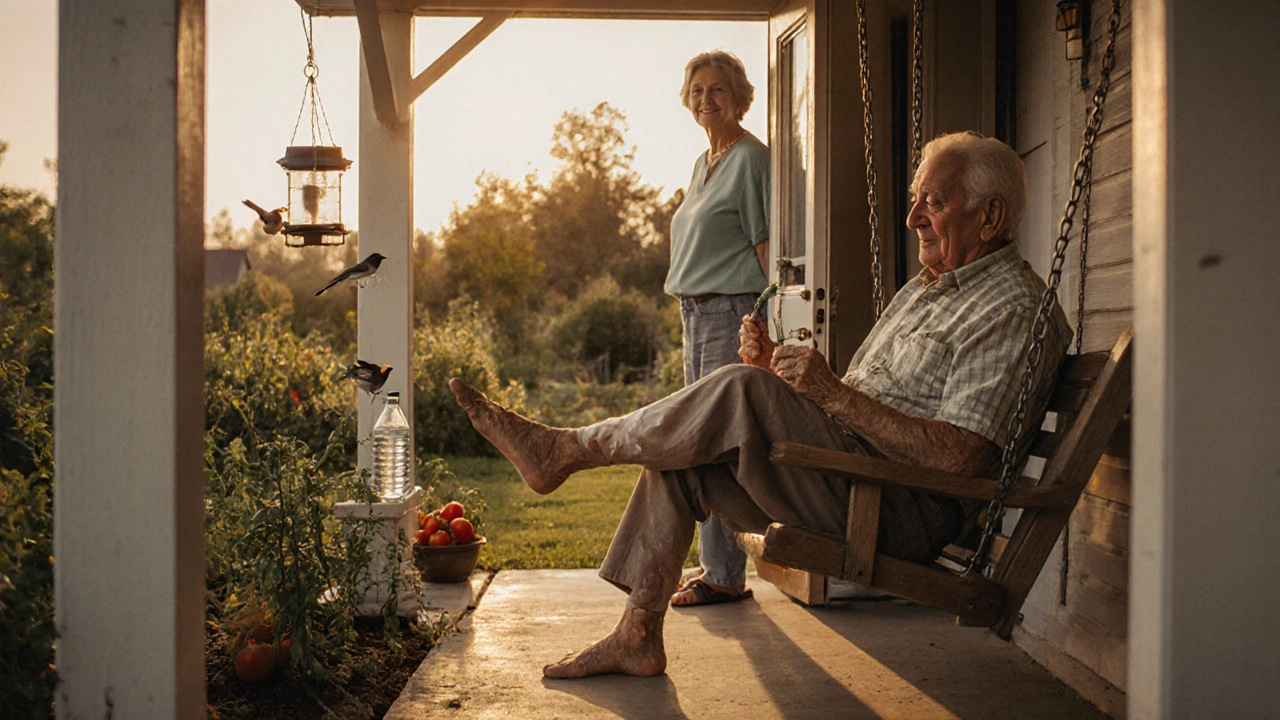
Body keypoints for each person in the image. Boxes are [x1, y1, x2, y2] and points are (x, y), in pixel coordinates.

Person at [450, 132, 1071, 679]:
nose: (913, 218)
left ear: (990, 216)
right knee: (688, 448)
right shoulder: (928, 290)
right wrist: (782, 370)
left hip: (897, 506)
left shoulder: (1012, 309)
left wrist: (827, 393)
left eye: (933, 202)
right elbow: (853, 408)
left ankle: (565, 449)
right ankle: (637, 635)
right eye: (916, 200)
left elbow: (962, 459)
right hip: (850, 475)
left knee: (736, 394)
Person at [664, 50, 771, 607]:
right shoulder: (705, 161)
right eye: (698, 89)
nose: (707, 98)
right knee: (697, 441)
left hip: (731, 313)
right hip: (696, 313)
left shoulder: (751, 158)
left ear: (740, 97)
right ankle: (719, 567)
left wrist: (769, 321)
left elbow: (765, 244)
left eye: (718, 89)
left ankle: (723, 574)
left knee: (709, 443)